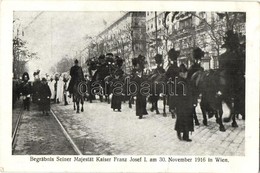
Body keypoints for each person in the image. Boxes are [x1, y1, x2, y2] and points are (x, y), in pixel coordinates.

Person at [175, 70, 195, 142]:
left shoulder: (188, 81)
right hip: (181, 105)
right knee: (181, 119)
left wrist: (193, 102)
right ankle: (178, 131)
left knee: (188, 120)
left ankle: (186, 136)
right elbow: (175, 95)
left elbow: (192, 92)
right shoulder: (178, 82)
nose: (185, 74)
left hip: (188, 104)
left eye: (186, 73)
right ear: (180, 74)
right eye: (184, 73)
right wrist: (174, 106)